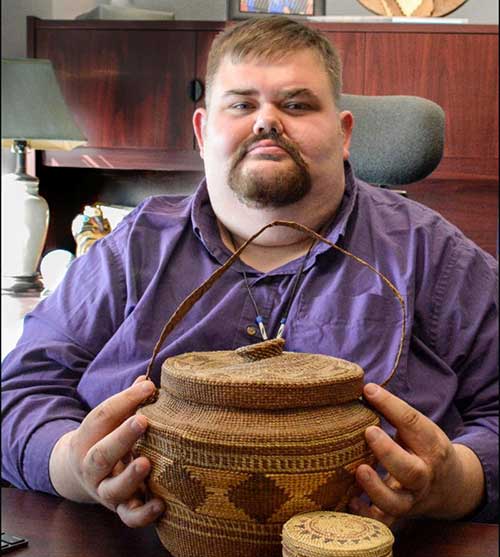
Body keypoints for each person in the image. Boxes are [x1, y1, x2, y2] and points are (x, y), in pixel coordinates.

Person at [2, 17, 497, 529]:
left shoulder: (434, 256)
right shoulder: (130, 251)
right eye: (241, 104)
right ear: (201, 131)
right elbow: (18, 393)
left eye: (297, 104)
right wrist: (69, 465)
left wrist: (456, 481)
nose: (266, 122)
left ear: (344, 133)